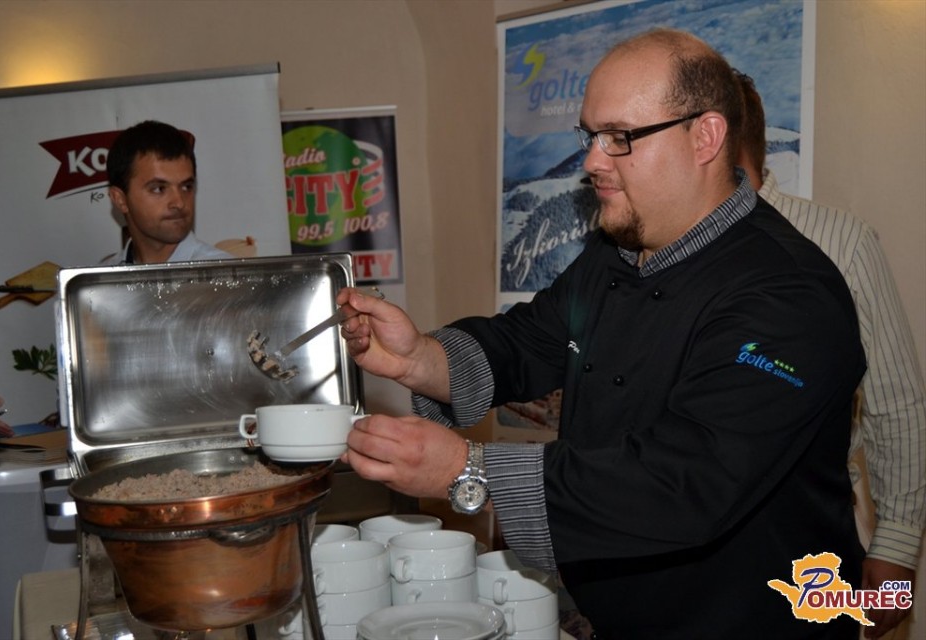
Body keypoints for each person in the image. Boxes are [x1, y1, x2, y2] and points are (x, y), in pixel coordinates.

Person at [336, 28, 867, 638]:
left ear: (705, 137)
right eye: (590, 135)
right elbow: (530, 340)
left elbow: (684, 485)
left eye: (620, 137)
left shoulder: (788, 294)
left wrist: (467, 469)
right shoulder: (617, 252)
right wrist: (420, 359)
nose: (592, 161)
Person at [736, 71, 925, 639]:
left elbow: (897, 401)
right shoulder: (660, 250)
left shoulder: (840, 241)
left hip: (810, 541)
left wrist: (896, 551)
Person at [101, 120, 233, 264]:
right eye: (159, 189)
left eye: (186, 187)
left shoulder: (226, 274)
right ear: (120, 199)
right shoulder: (102, 276)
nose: (179, 203)